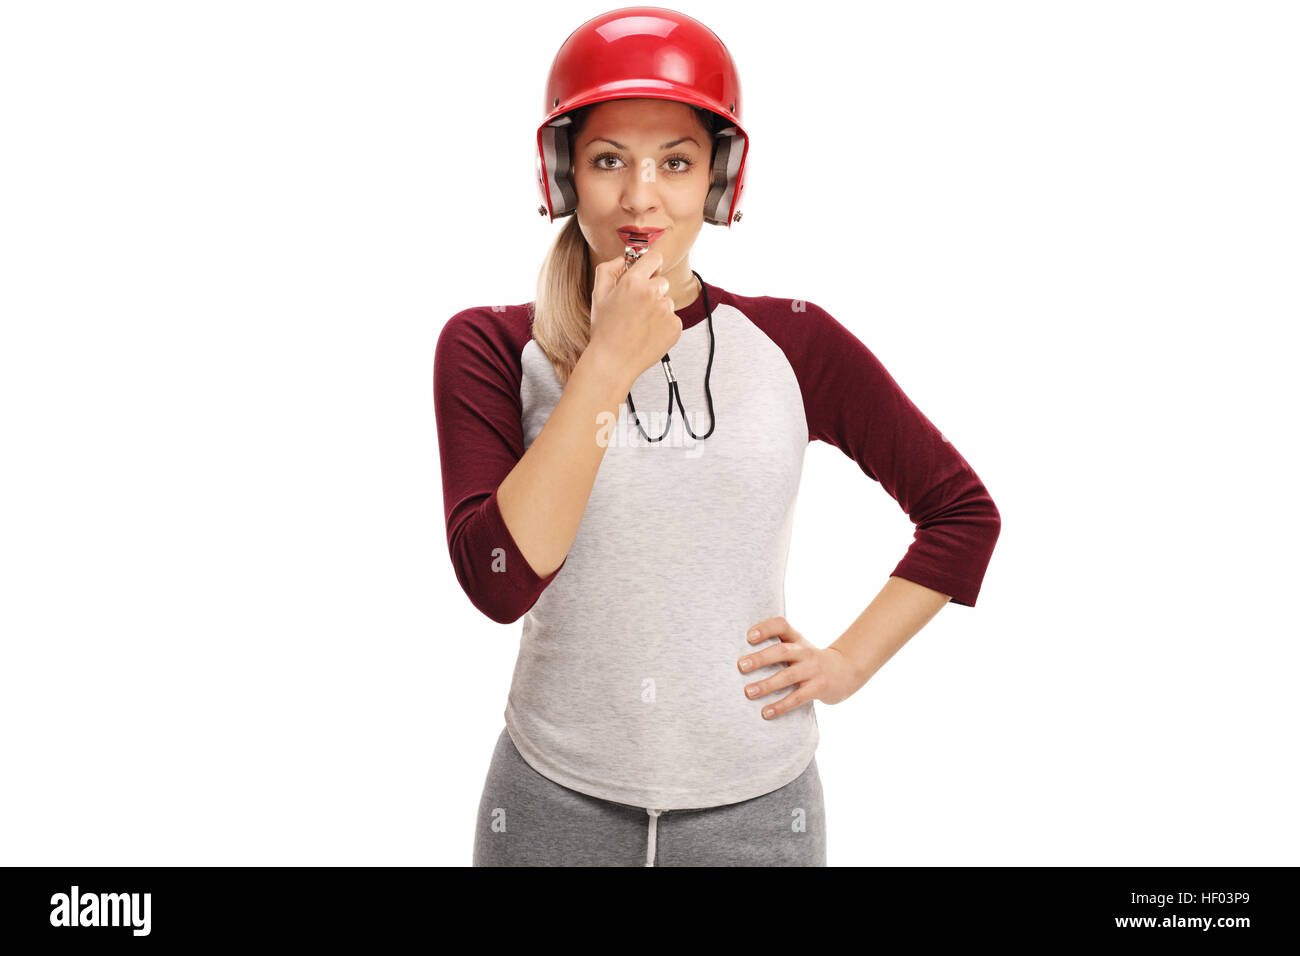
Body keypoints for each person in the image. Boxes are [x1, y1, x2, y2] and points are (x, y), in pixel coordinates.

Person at [433, 7, 1001, 866]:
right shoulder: (486, 344)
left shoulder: (796, 342)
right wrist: (606, 365)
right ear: (563, 173)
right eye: (608, 160)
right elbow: (499, 581)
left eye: (676, 161)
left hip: (758, 812)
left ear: (718, 179)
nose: (640, 196)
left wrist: (845, 665)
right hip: (550, 803)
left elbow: (962, 514)